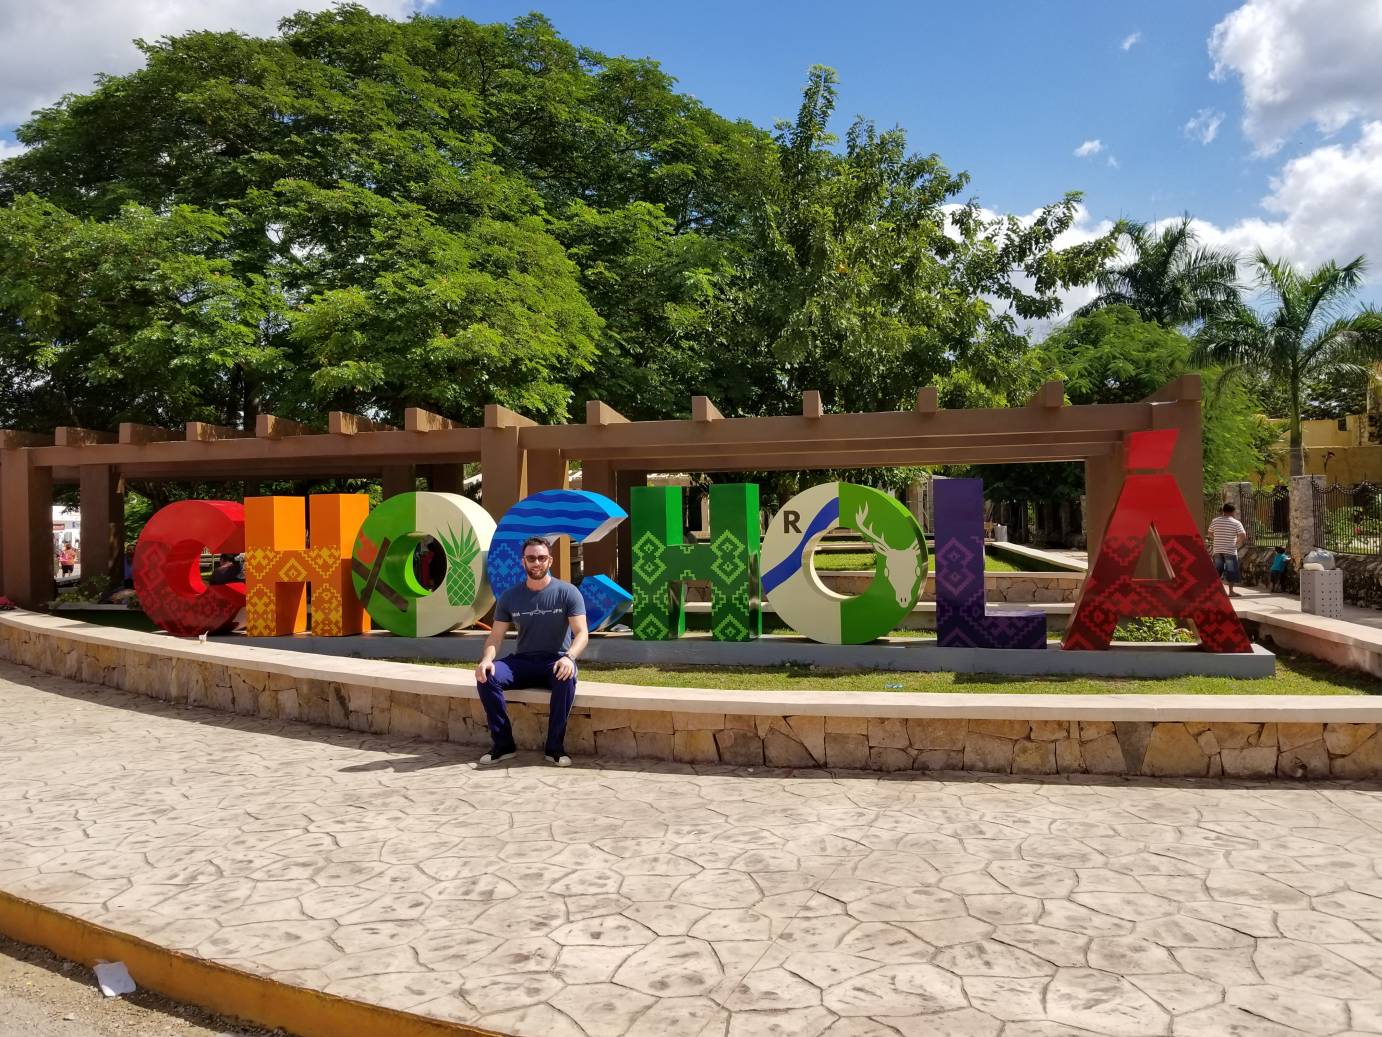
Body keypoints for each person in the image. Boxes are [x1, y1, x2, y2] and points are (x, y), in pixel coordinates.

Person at [473, 536, 588, 767]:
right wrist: (486, 659)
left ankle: (554, 748)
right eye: (531, 558)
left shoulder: (567, 592)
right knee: (487, 676)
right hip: (523, 661)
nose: (537, 563)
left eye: (542, 558)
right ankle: (503, 745)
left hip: (556, 660)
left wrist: (570, 657)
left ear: (550, 560)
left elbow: (582, 633)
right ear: (523, 561)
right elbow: (495, 637)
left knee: (566, 678)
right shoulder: (510, 596)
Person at [1207, 502, 1248, 597]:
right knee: (1231, 571)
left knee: (1217, 570)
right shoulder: (1236, 523)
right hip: (1230, 550)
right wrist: (1237, 542)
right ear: (1233, 511)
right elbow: (1243, 535)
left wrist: (1216, 539)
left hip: (1217, 550)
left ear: (1223, 511)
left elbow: (1210, 532)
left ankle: (1215, 591)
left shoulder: (1215, 521)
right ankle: (1231, 591)